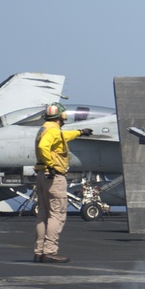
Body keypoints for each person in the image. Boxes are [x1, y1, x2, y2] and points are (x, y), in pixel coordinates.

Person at [33, 103, 93, 263]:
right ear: (61, 116)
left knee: (43, 215)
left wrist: (80, 132)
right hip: (53, 177)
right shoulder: (52, 130)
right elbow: (43, 146)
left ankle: (39, 252)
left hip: (41, 176)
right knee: (57, 215)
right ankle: (50, 252)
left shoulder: (46, 128)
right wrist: (51, 165)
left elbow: (61, 137)